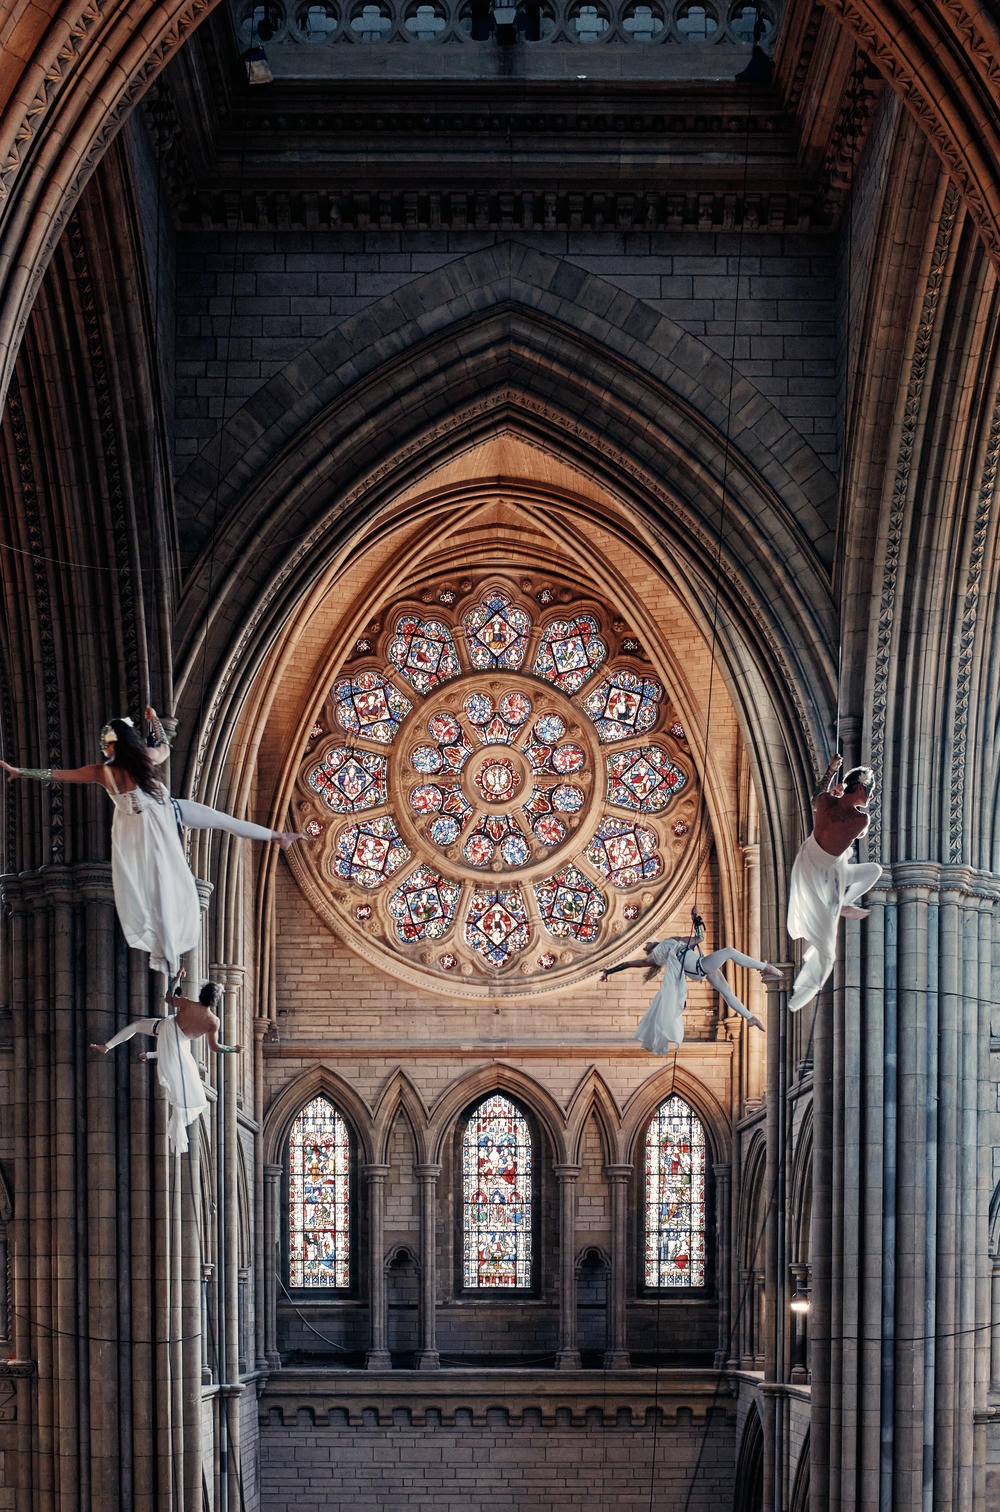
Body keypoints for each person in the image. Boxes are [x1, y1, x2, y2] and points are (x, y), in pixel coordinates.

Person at [0, 706, 306, 977]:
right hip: (159, 816)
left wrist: (22, 772)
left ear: (113, 745)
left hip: (158, 819)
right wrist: (155, 722)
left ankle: (278, 837)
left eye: (105, 744)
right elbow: (164, 746)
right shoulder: (132, 763)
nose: (103, 749)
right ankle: (169, 957)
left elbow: (60, 775)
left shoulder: (107, 771)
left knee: (205, 835)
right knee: (169, 877)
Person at [600, 908, 782, 1056]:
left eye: (646, 944)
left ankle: (750, 1017)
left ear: (654, 942)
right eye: (645, 947)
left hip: (701, 966)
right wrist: (610, 970)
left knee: (727, 993)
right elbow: (628, 964)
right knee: (729, 951)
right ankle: (763, 967)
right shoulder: (655, 958)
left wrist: (695, 919)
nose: (644, 946)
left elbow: (699, 938)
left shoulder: (671, 941)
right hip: (698, 966)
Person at [89, 977, 240, 1154]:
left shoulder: (188, 1004)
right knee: (174, 1058)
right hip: (182, 1042)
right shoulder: (213, 1021)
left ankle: (107, 1047)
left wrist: (175, 978)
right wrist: (232, 1049)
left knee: (136, 1026)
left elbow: (168, 997)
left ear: (202, 993)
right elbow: (214, 1047)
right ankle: (147, 1055)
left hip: (167, 1030)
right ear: (216, 1001)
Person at [786, 752, 882, 1012]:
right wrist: (840, 794)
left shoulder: (827, 802)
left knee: (874, 870)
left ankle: (843, 903)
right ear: (860, 787)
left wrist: (831, 771)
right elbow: (860, 833)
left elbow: (817, 797)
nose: (871, 796)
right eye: (870, 791)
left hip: (818, 864)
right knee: (827, 953)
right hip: (821, 875)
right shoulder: (861, 818)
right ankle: (797, 1001)